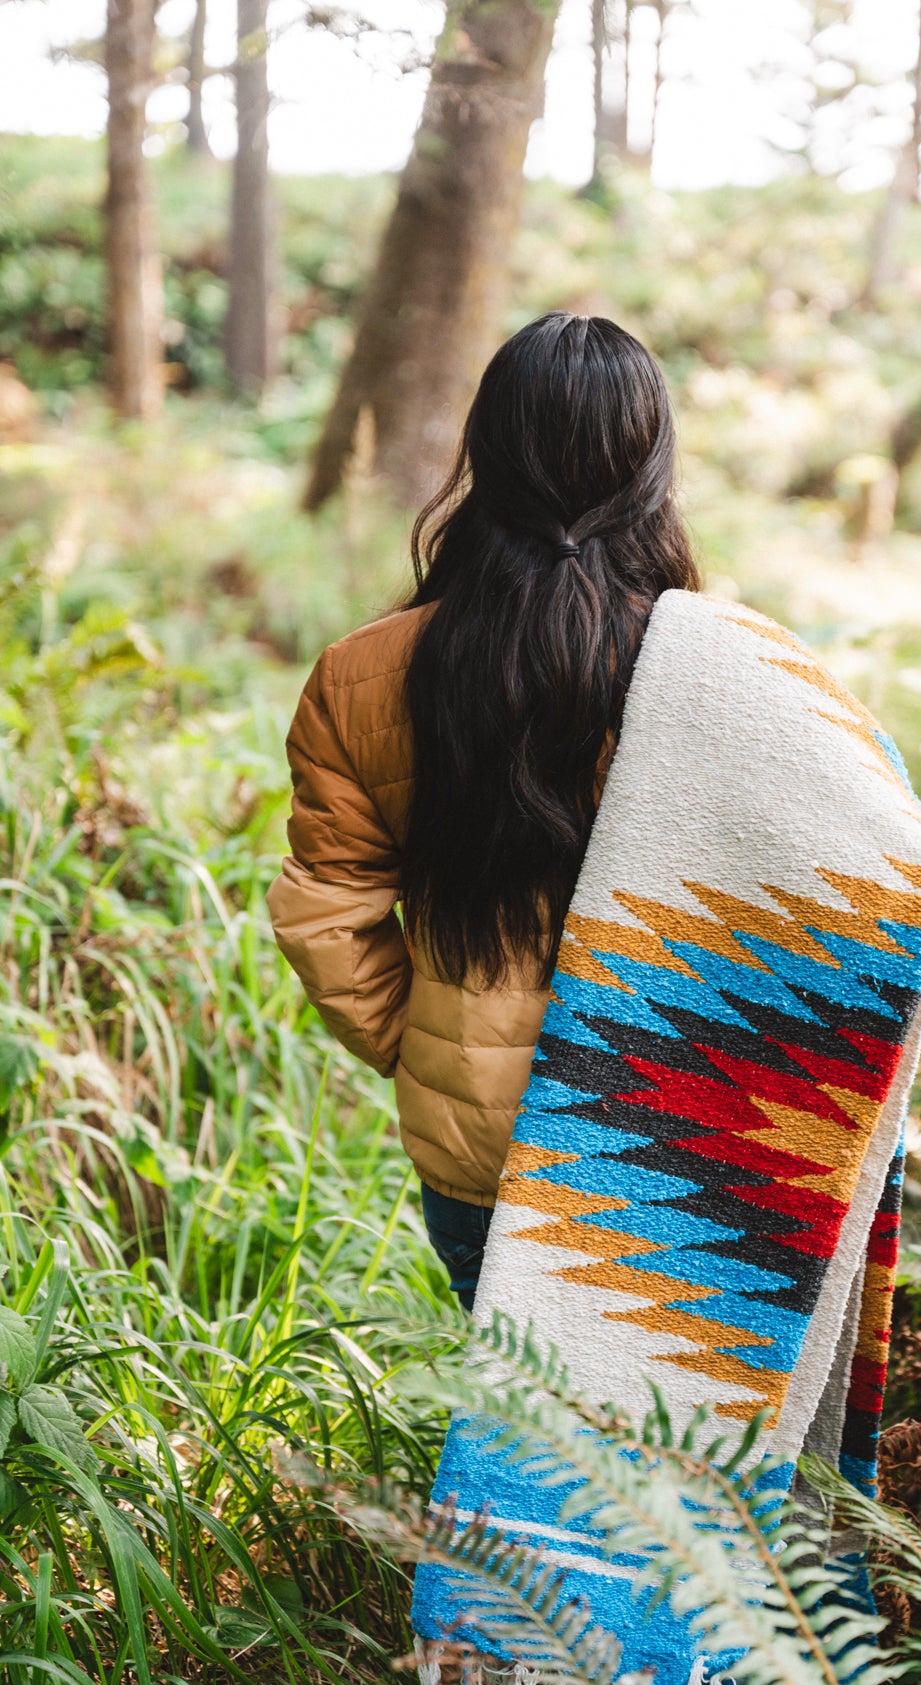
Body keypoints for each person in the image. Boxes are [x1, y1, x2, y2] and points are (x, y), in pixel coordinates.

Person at [267, 311, 700, 1313]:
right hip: (673, 1136)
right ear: (648, 467)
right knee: (672, 1458)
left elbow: (323, 914)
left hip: (471, 1157)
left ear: (486, 455)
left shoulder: (362, 675)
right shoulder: (713, 669)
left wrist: (425, 1045)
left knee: (515, 1440)